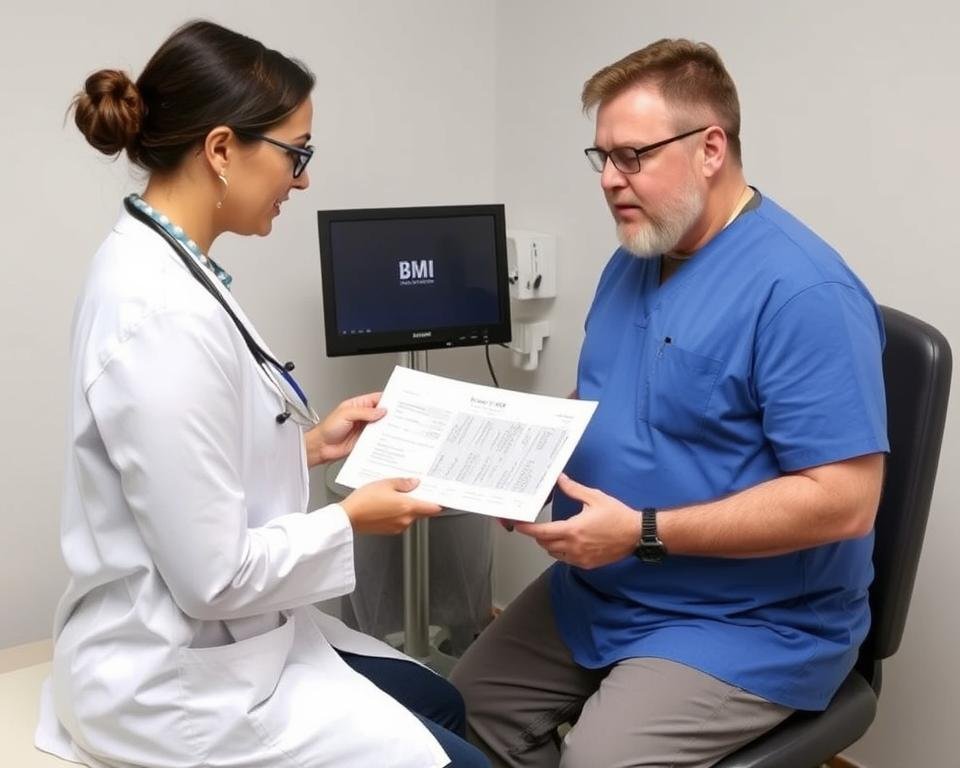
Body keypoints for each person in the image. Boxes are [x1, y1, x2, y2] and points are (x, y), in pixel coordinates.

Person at [35, 19, 489, 768]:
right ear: (221, 150)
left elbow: (186, 463)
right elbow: (214, 579)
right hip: (174, 681)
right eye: (295, 154)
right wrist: (351, 520)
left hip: (228, 637)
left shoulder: (172, 264)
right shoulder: (160, 316)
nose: (302, 180)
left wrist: (307, 446)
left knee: (440, 699)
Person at [451, 38, 887, 768]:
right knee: (462, 710)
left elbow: (845, 501)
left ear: (711, 148)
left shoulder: (804, 293)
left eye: (632, 156)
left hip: (748, 621)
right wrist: (529, 460)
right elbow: (611, 394)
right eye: (601, 158)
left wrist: (641, 532)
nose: (609, 180)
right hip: (608, 587)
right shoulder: (638, 256)